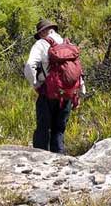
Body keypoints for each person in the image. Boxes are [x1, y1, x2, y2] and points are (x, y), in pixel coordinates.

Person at [24, 19, 78, 153]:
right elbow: (78, 70)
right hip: (67, 93)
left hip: (48, 92)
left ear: (42, 32)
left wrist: (35, 84)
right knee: (59, 130)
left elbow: (30, 66)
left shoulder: (41, 44)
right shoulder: (68, 44)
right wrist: (78, 92)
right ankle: (59, 161)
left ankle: (39, 161)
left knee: (43, 128)